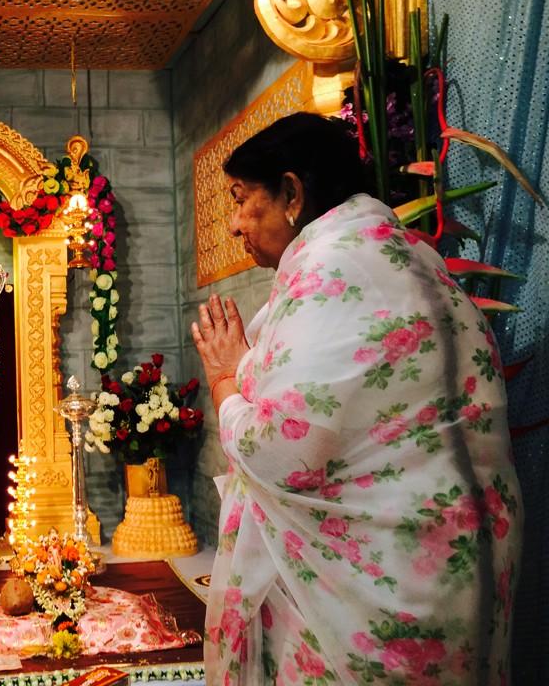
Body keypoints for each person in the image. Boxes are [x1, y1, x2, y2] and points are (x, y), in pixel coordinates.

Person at [190, 112, 522, 685]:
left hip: (372, 599)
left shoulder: (329, 272)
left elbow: (282, 453)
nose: (236, 225)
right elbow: (343, 401)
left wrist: (224, 380)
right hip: (459, 571)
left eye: (242, 199)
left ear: (291, 192)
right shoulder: (414, 261)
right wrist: (248, 365)